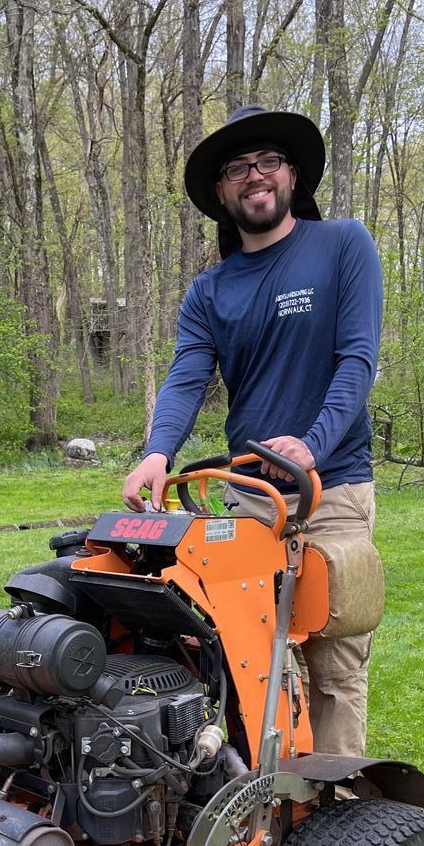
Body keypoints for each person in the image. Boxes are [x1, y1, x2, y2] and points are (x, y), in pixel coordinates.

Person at [122, 104, 384, 757]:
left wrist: (312, 443)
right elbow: (186, 377)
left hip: (331, 491)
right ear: (221, 192)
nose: (254, 176)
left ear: (292, 174)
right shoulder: (210, 290)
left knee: (333, 667)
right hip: (244, 501)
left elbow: (357, 358)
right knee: (235, 657)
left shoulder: (343, 246)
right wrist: (158, 453)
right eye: (237, 168)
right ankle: (255, 805)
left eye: (267, 161)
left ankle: (339, 827)